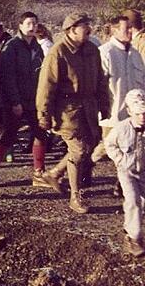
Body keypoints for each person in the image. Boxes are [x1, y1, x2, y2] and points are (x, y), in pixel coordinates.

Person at [37, 13, 110, 214]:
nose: (89, 28)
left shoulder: (92, 50)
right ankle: (75, 197)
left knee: (87, 147)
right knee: (78, 150)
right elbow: (46, 86)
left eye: (89, 24)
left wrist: (105, 106)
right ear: (71, 29)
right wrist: (43, 114)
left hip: (88, 107)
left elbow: (101, 81)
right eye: (84, 25)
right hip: (66, 110)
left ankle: (54, 173)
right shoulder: (57, 52)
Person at [0, 12, 52, 189]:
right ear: (21, 26)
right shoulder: (12, 46)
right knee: (8, 135)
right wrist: (15, 102)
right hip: (13, 101)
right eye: (29, 23)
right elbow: (8, 76)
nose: (32, 27)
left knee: (40, 133)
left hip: (33, 100)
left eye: (35, 23)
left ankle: (39, 172)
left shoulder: (37, 47)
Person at [91, 16, 145, 188]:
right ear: (114, 30)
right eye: (125, 28)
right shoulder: (105, 53)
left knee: (130, 148)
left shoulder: (135, 53)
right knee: (106, 147)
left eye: (131, 28)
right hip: (113, 112)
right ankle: (66, 171)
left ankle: (122, 185)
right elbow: (98, 85)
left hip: (132, 113)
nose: (130, 31)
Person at [104, 88, 145, 257]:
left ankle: (129, 225)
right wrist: (120, 160)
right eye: (138, 113)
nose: (142, 117)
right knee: (133, 201)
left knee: (142, 202)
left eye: (144, 113)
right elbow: (109, 145)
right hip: (127, 172)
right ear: (129, 111)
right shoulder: (121, 129)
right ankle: (134, 237)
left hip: (143, 171)